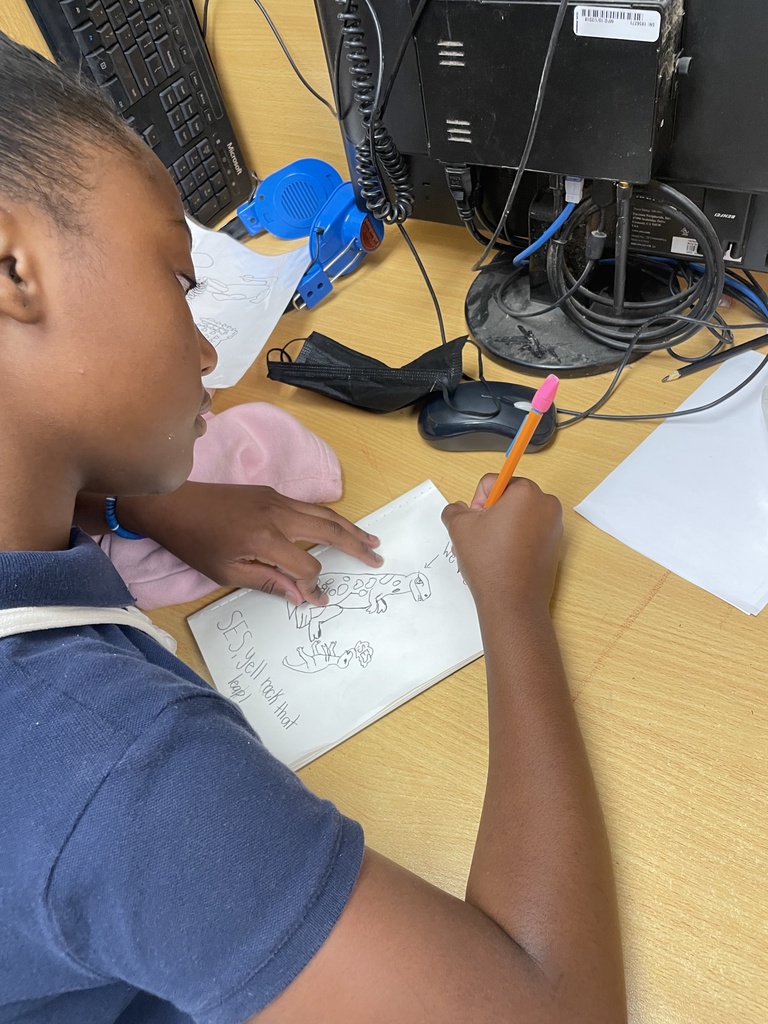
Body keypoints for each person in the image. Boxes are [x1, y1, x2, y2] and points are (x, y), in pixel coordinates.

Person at [0, 31, 626, 1024]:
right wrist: (512, 605)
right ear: (11, 266)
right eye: (179, 275)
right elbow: (553, 1009)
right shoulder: (111, 771)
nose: (209, 346)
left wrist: (138, 493)